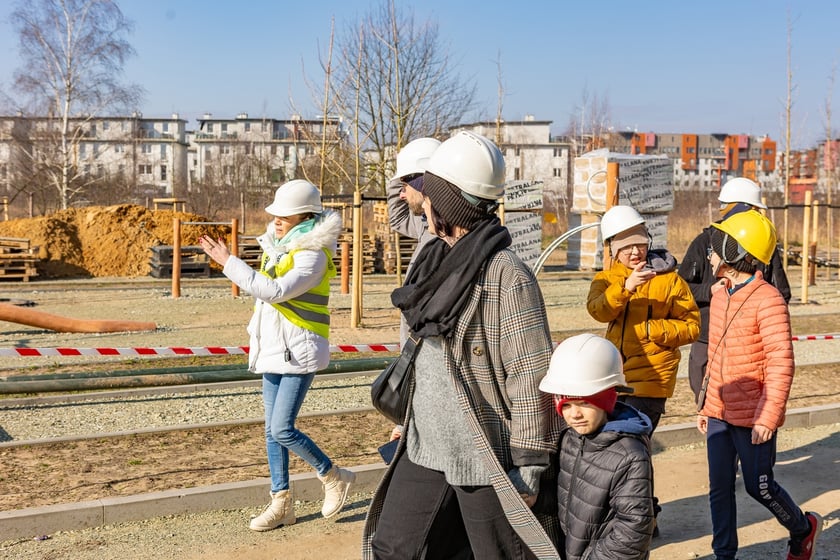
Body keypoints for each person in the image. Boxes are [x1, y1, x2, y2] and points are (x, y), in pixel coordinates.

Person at [362, 131, 562, 559]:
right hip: (424, 444)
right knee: (391, 549)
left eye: (430, 195)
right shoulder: (434, 258)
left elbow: (531, 373)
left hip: (484, 455)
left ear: (448, 205)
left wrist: (529, 464)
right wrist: (409, 415)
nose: (423, 204)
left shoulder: (507, 275)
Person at [198, 179, 355, 532]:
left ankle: (333, 475)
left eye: (285, 215)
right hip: (273, 348)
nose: (277, 220)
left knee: (282, 428)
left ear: (305, 217)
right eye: (276, 214)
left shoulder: (312, 254)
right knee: (272, 431)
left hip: (299, 351)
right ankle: (281, 503)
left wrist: (228, 262)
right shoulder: (280, 248)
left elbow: (273, 291)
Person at [696, 210, 823, 560]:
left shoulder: (769, 300)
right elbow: (716, 354)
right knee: (719, 488)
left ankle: (802, 528)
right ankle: (724, 554)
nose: (709, 254)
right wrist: (706, 404)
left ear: (733, 251)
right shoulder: (720, 294)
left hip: (754, 416)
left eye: (715, 247)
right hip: (719, 412)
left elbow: (781, 363)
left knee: (759, 487)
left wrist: (767, 417)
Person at [586, 204, 700, 536]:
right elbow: (598, 311)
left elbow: (692, 326)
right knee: (624, 452)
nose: (635, 252)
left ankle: (641, 520)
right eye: (626, 247)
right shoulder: (605, 279)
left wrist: (653, 330)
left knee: (631, 449)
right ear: (612, 250)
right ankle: (638, 516)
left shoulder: (670, 280)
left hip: (651, 379)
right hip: (613, 378)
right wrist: (626, 287)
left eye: (640, 244)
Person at [538, 333, 655, 560]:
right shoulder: (570, 439)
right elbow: (569, 498)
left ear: (607, 401)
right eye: (566, 405)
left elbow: (635, 528)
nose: (575, 414)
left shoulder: (629, 454)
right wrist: (538, 499)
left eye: (585, 403)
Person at [678, 177, 791, 402]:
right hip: (707, 338)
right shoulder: (704, 242)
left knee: (744, 403)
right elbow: (679, 289)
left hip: (747, 345)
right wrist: (709, 291)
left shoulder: (762, 245)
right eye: (753, 209)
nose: (756, 215)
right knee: (706, 399)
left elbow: (781, 293)